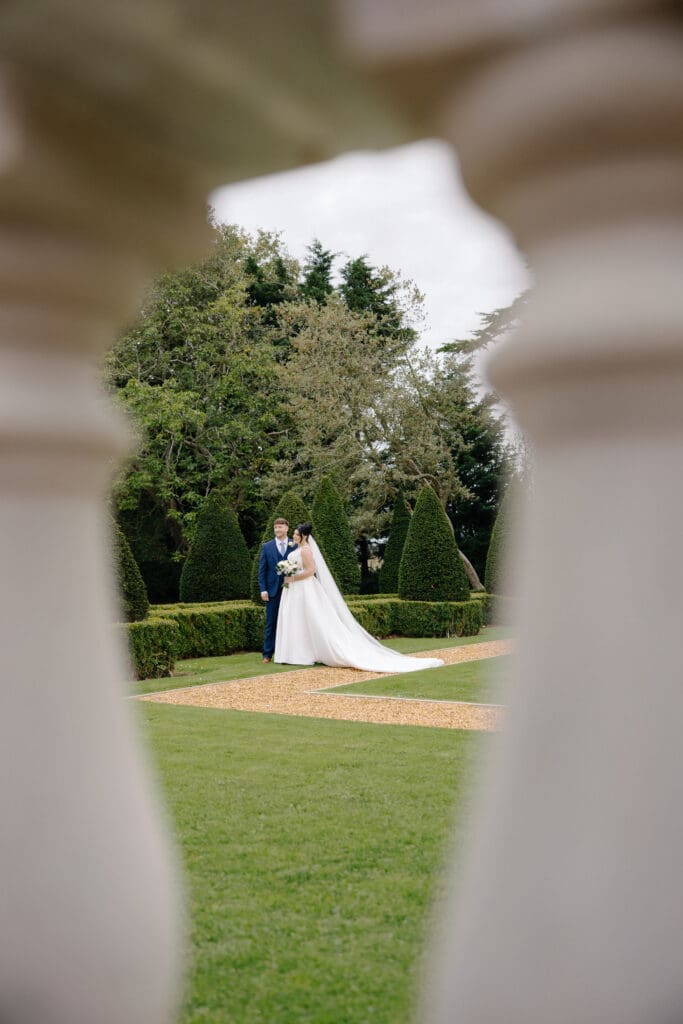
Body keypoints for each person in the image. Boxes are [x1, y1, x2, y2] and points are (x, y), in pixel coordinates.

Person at [274, 523, 444, 672]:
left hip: (304, 588)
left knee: (311, 619)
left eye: (297, 534)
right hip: (295, 589)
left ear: (304, 536)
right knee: (298, 619)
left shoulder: (305, 550)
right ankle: (297, 653)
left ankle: (305, 653)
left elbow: (311, 571)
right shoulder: (296, 549)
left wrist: (292, 577)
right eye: (294, 534)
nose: (294, 536)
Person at [258, 517, 297, 663]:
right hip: (272, 591)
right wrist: (263, 590)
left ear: (287, 528)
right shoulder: (266, 547)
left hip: (291, 590)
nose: (278, 530)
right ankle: (267, 654)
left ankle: (289, 653)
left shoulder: (294, 546)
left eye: (280, 527)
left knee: (291, 621)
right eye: (276, 528)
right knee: (271, 623)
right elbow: (262, 570)